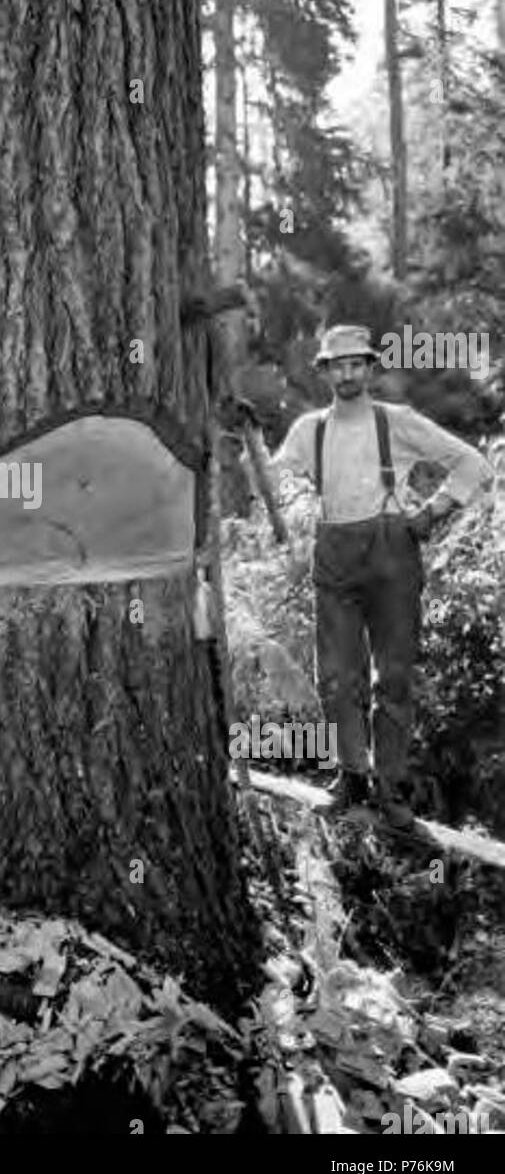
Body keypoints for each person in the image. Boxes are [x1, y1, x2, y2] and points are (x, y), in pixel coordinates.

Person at [244, 325, 492, 832]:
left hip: (392, 553)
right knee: (336, 677)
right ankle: (351, 777)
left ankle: (389, 788)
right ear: (327, 372)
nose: (348, 372)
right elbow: (266, 483)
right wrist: (243, 439)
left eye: (357, 363)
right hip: (334, 551)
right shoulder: (309, 429)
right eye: (338, 365)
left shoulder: (396, 422)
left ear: (369, 368)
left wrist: (433, 512)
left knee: (394, 678)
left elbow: (472, 463)